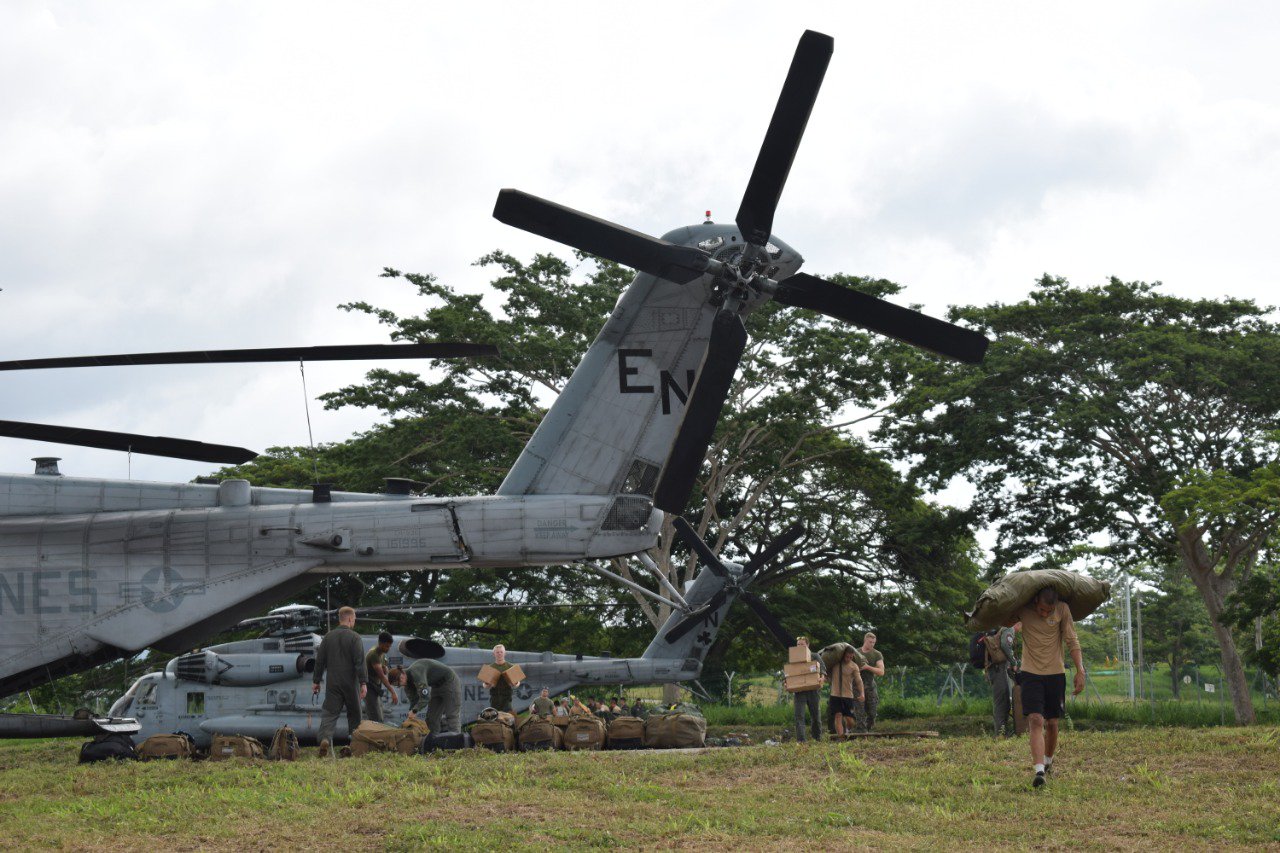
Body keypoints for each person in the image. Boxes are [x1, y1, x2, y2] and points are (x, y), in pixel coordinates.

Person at [1009, 587, 1084, 788]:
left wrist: (1080, 670)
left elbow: (1072, 640)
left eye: (1048, 612)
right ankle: (1039, 770)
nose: (1044, 614)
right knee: (1035, 719)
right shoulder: (1023, 610)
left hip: (1055, 673)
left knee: (1052, 723)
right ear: (1035, 601)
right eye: (1041, 610)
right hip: (1030, 673)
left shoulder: (1063, 609)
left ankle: (1048, 760)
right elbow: (1002, 618)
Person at [312, 606, 367, 757]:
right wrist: (363, 682)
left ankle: (324, 739)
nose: (354, 621)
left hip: (333, 682)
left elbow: (320, 661)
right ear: (350, 618)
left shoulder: (328, 637)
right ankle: (353, 744)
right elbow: (360, 662)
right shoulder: (355, 637)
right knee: (355, 713)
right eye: (354, 619)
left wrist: (316, 681)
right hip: (350, 683)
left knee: (329, 713)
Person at [404, 656, 463, 734]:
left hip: (450, 682)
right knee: (431, 718)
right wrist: (411, 713)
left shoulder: (416, 672)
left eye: (399, 681)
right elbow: (414, 699)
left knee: (452, 715)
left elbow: (425, 697)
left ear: (402, 674)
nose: (400, 684)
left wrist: (414, 711)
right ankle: (433, 741)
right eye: (397, 684)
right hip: (436, 686)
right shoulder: (406, 681)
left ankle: (457, 741)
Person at [985, 622, 1020, 737]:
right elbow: (1005, 645)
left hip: (999, 669)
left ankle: (1003, 733)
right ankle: (1000, 735)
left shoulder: (1004, 629)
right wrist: (1014, 663)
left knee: (1005, 702)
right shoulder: (1009, 629)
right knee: (1001, 703)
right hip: (998, 669)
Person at [790, 636, 826, 743]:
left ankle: (817, 739)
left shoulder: (815, 656)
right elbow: (789, 671)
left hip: (813, 691)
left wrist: (821, 678)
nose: (800, 646)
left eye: (802, 644)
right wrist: (786, 682)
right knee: (799, 716)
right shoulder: (794, 657)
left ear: (807, 645)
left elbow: (823, 669)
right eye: (798, 644)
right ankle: (801, 741)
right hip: (799, 692)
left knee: (815, 716)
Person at [363, 631, 398, 723]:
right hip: (369, 688)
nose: (388, 648)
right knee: (375, 718)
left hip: (376, 688)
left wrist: (385, 668)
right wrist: (393, 692)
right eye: (386, 646)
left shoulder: (382, 653)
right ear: (380, 643)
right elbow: (382, 676)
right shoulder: (374, 654)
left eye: (389, 646)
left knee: (380, 716)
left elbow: (384, 668)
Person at [830, 645, 865, 736]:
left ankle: (848, 729)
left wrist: (862, 693)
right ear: (843, 655)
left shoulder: (854, 666)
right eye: (846, 656)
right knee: (838, 716)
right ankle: (841, 739)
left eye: (850, 657)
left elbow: (859, 680)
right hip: (835, 695)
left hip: (848, 695)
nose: (848, 659)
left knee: (850, 720)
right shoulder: (835, 663)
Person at [858, 632, 886, 731]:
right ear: (865, 640)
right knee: (859, 712)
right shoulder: (856, 652)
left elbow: (881, 671)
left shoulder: (877, 654)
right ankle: (861, 733)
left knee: (872, 713)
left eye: (874, 642)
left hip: (870, 686)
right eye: (870, 642)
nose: (872, 644)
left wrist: (867, 667)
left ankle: (868, 730)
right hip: (857, 686)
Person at [483, 644, 521, 713]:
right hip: (494, 699)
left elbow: (517, 683)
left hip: (507, 699)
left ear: (505, 653)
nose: (499, 654)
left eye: (501, 652)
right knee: (494, 720)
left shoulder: (511, 667)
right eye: (497, 652)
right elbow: (485, 685)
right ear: (494, 654)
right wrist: (487, 683)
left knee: (508, 720)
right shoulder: (489, 668)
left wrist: (515, 683)